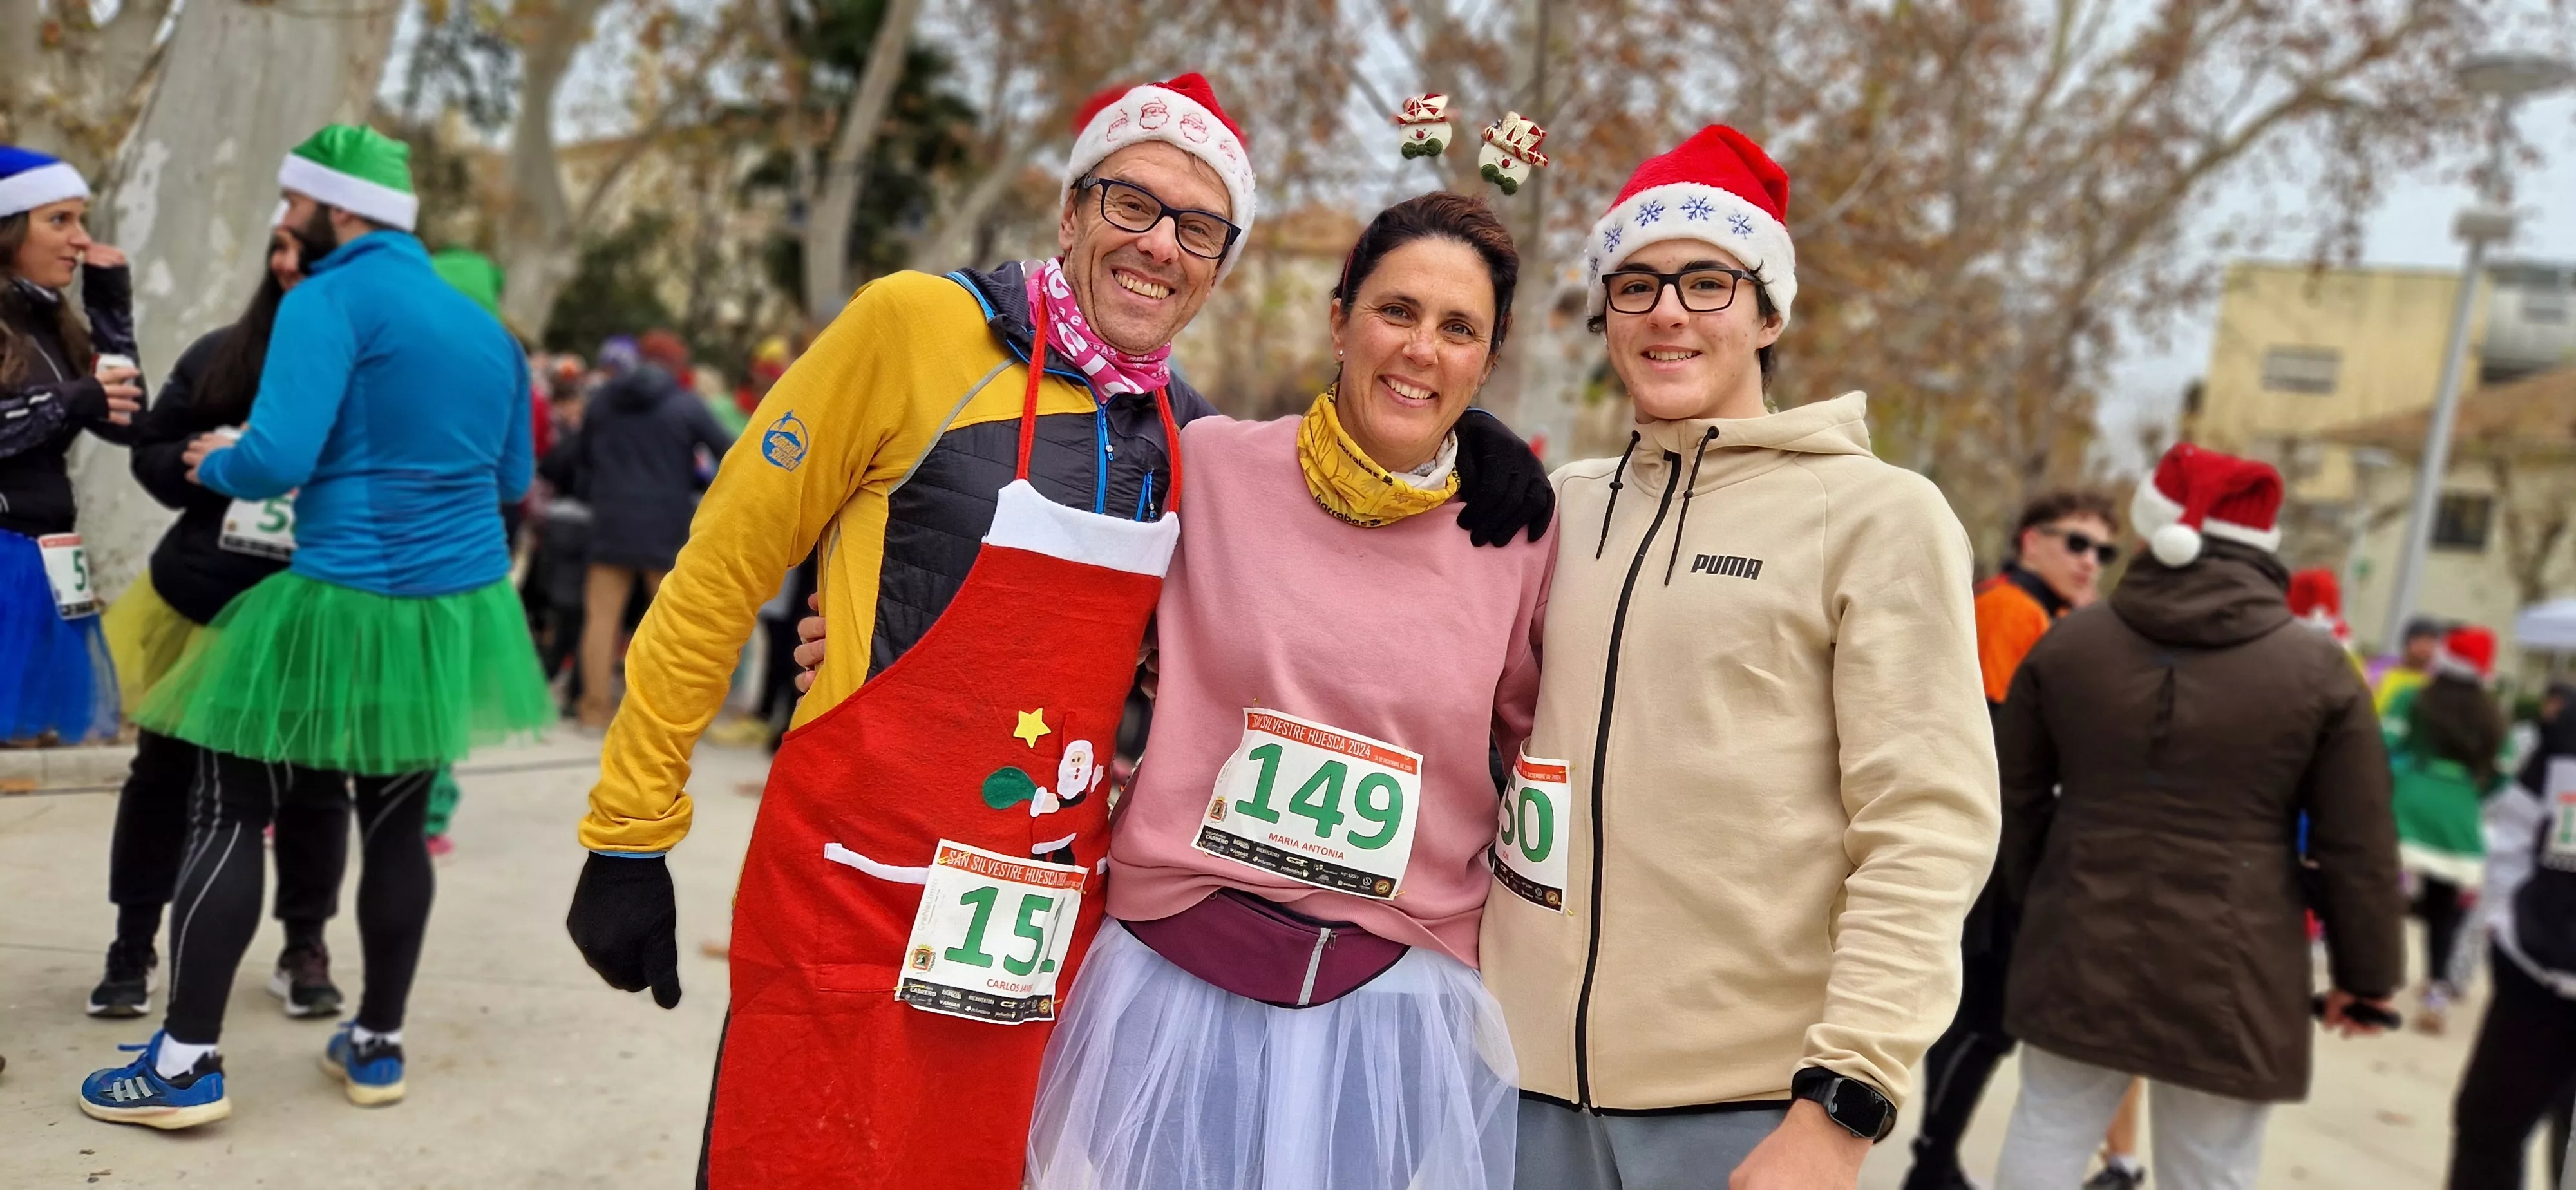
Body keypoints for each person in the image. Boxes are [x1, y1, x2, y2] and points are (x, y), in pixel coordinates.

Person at [563, 74, 1552, 1187]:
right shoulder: (913, 328)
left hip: (1034, 935)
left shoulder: (1191, 442)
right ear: (1071, 211)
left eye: (1198, 226)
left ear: (1218, 265)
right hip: (850, 891)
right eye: (1131, 204)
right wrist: (631, 827)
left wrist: (1480, 447)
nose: (1158, 246)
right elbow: (718, 572)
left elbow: (1314, 533)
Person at [1479, 125, 1998, 1190]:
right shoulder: (1556, 505)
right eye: (1635, 284)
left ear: (1768, 313)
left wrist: (1844, 1102)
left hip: (1749, 1119)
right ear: (1605, 317)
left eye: (1707, 281)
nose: (1668, 310)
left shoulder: (1879, 516)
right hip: (1513, 1094)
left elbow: (1926, 825)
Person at [1019, 191, 1548, 1189]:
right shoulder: (1207, 465)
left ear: (1488, 359)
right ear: (1339, 317)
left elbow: (1547, 748)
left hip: (1389, 999)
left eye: (1458, 329)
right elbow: (1056, 600)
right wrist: (872, 633)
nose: (1421, 350)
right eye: (1396, 311)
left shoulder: (1519, 532)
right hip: (1180, 963)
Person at [79, 124, 551, 1129]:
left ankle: (184, 1065)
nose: (283, 226)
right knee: (396, 828)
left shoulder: (329, 298)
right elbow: (512, 481)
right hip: (452, 612)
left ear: (339, 211)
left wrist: (214, 459)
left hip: (335, 596)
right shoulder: (487, 331)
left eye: (292, 208)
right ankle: (377, 1045)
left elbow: (278, 457)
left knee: (232, 807)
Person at [1987, 443, 2405, 1190]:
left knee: (2047, 1128)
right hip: (2236, 959)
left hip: (2079, 932)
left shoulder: (2070, 646)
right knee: (2213, 1169)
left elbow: (2011, 799)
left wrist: (2037, 899)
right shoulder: (2316, 674)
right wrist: (2365, 975)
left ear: (2157, 532)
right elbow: (2358, 844)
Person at [90, 219, 352, 1022]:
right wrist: (208, 466)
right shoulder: (221, 353)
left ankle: (305, 944)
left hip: (312, 610)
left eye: (304, 251)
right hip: (200, 598)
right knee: (163, 774)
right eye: (276, 247)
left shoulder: (367, 365)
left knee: (314, 783)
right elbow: (151, 453)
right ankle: (134, 943)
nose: (285, 264)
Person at [1906, 488, 2128, 1190]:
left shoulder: (2047, 612)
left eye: (2104, 551)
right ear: (2031, 540)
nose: (2091, 561)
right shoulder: (2012, 609)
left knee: (1983, 1014)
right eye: (2077, 543)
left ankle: (1934, 1162)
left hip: (2002, 833)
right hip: (1991, 838)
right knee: (1982, 1014)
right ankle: (1931, 1165)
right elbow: (1998, 742)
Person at [0, 146, 140, 746]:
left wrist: (110, 313)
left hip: (47, 562)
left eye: (82, 220)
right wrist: (72, 398)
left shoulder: (52, 320)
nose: (81, 240)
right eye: (59, 220)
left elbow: (128, 423)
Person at [570, 328, 734, 727]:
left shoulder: (604, 398)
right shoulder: (685, 404)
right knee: (668, 624)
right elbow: (730, 452)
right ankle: (658, 716)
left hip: (610, 519)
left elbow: (583, 455)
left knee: (601, 619)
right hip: (666, 525)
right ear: (678, 365)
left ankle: (594, 709)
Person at [2449, 681, 2576, 1189]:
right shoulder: (2571, 729)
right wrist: (2505, 925)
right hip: (2534, 975)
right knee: (2486, 1126)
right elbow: (2519, 828)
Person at [2383, 623, 2508, 1035]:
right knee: (2444, 912)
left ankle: (2371, 977)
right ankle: (2437, 989)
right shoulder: (2495, 715)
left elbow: (2384, 746)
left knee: (2381, 893)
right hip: (2459, 816)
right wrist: (2473, 795)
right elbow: (2503, 775)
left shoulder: (2413, 697)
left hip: (2407, 802)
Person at [2374, 615, 2445, 714]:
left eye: (2430, 643)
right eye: (2420, 641)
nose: (2425, 648)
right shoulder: (2380, 672)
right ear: (2407, 643)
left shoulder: (2436, 681)